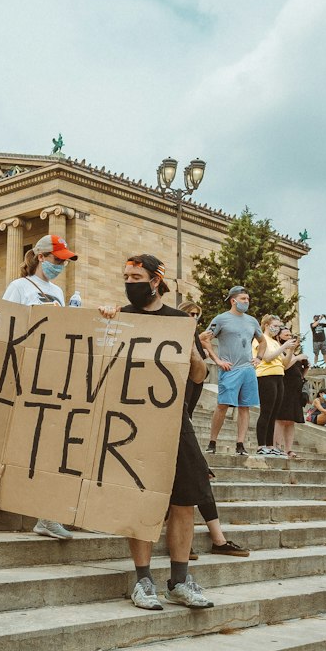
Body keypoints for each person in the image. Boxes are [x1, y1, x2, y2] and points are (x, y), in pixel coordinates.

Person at [104, 254, 250, 612]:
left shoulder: (179, 321)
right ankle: (142, 581)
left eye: (136, 275)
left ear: (156, 281)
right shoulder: (122, 316)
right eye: (126, 276)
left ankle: (180, 581)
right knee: (140, 497)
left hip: (176, 419)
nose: (129, 281)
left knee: (186, 498)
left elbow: (198, 376)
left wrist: (191, 350)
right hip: (133, 419)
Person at [2, 233, 79, 540]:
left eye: (63, 261)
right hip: (25, 370)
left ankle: (47, 514)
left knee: (50, 442)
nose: (61, 265)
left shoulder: (58, 291)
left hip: (53, 373)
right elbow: (6, 323)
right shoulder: (19, 287)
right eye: (57, 260)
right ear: (41, 257)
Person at [200, 286, 265, 456]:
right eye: (243, 299)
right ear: (233, 300)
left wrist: (259, 357)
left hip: (248, 369)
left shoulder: (252, 321)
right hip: (230, 368)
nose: (246, 302)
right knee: (222, 405)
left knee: (245, 407)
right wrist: (217, 359)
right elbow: (204, 338)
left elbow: (262, 341)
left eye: (248, 299)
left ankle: (240, 444)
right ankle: (212, 442)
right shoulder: (221, 319)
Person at [253, 315, 298, 456]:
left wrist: (290, 350)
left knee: (274, 413)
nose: (277, 329)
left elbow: (284, 363)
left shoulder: (274, 342)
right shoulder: (260, 339)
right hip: (265, 376)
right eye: (276, 325)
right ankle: (261, 445)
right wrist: (284, 346)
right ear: (266, 325)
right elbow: (267, 357)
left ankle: (270, 445)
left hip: (279, 376)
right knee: (266, 411)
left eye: (279, 326)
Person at [274, 327, 310, 457]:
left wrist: (305, 366)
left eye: (290, 335)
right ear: (279, 337)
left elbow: (300, 373)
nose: (289, 337)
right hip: (284, 387)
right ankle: (276, 447)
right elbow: (284, 366)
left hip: (296, 390)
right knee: (281, 419)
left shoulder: (293, 353)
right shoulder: (279, 351)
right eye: (286, 335)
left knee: (291, 420)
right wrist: (297, 357)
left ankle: (288, 448)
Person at [178, 300, 208, 416]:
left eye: (196, 315)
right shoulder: (179, 329)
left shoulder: (194, 330)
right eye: (192, 313)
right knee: (184, 411)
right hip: (185, 376)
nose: (195, 317)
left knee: (189, 411)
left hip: (196, 375)